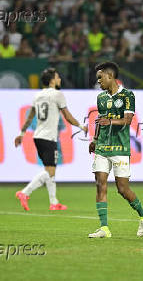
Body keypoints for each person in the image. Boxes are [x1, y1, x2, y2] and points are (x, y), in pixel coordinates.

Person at [88, 61, 143, 238]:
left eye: (100, 78)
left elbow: (127, 120)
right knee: (100, 185)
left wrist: (111, 121)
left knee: (122, 189)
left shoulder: (128, 96)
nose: (98, 82)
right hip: (102, 148)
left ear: (110, 76)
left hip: (120, 148)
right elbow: (100, 120)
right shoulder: (101, 98)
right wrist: (94, 139)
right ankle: (104, 228)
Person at [14, 68, 88, 211]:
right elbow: (67, 116)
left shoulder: (37, 96)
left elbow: (30, 117)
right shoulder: (57, 95)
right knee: (50, 172)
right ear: (52, 80)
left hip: (38, 137)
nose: (59, 79)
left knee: (50, 170)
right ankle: (25, 192)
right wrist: (81, 126)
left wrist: (21, 134)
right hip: (49, 138)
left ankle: (54, 202)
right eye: (58, 77)